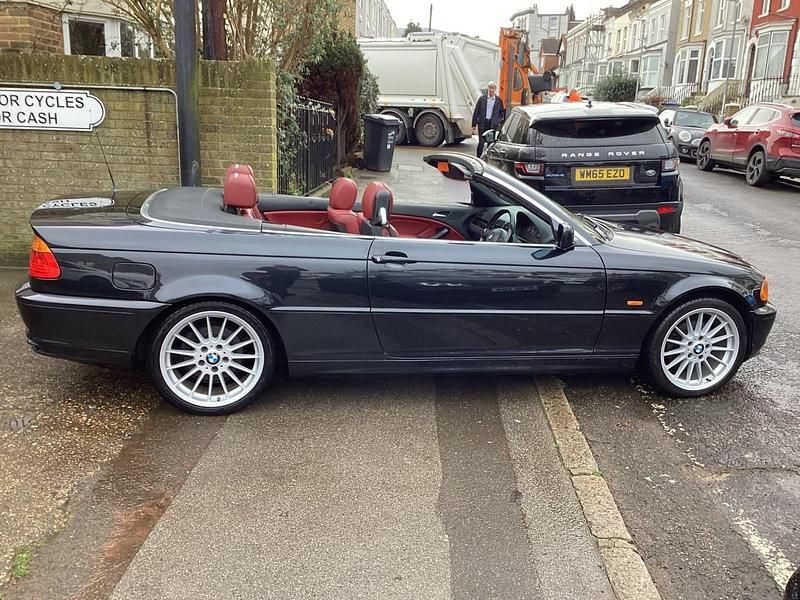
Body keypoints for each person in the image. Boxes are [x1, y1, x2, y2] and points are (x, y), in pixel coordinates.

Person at [472, 81, 505, 158]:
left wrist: (498, 121)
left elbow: (501, 113)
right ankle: (478, 157)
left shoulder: (498, 101)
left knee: (490, 143)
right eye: (490, 88)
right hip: (482, 123)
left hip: (492, 124)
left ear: (495, 89)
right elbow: (476, 111)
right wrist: (473, 124)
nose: (491, 90)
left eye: (492, 88)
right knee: (481, 143)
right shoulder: (482, 99)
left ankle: (488, 158)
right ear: (487, 89)